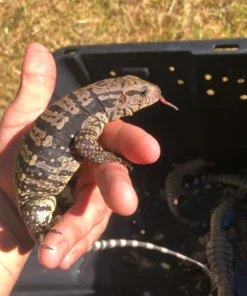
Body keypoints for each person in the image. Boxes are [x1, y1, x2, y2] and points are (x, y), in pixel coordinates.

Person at [0, 43, 161, 295]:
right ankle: (43, 225)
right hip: (36, 195)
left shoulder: (89, 109)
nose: (150, 93)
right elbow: (84, 144)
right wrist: (108, 156)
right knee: (42, 214)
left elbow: (81, 143)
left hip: (50, 184)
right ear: (120, 99)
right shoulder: (91, 116)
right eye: (140, 93)